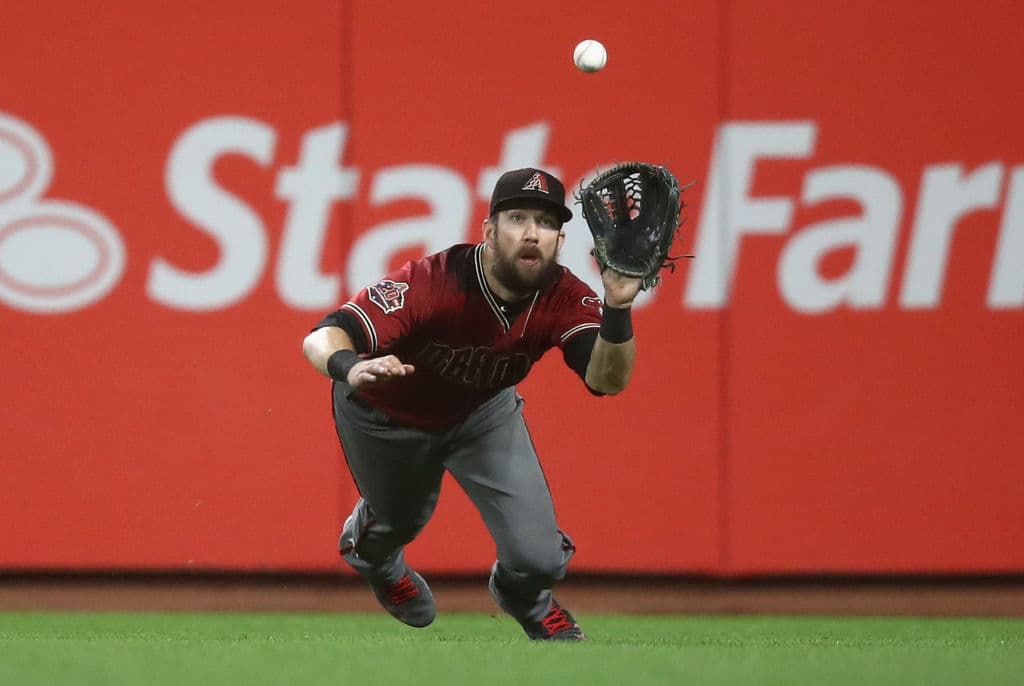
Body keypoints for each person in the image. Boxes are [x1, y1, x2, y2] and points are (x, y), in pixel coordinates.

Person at [302, 167, 642, 641]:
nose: (530, 233)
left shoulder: (564, 296)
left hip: (481, 413)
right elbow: (323, 335)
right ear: (488, 231)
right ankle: (373, 558)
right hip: (385, 414)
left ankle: (526, 598)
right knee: (399, 522)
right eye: (517, 218)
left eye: (545, 223)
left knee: (539, 557)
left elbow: (606, 381)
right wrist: (348, 367)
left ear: (560, 241)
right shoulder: (432, 281)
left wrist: (619, 308)